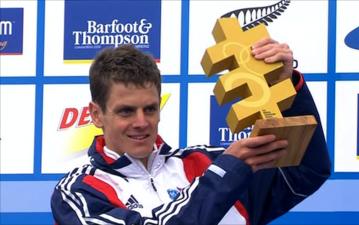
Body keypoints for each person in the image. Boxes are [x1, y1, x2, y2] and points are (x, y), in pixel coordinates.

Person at [51, 38, 331, 225]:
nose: (141, 122)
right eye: (126, 111)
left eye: (150, 108)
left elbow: (306, 170)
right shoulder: (78, 194)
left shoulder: (206, 162)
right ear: (96, 114)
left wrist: (286, 88)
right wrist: (224, 175)